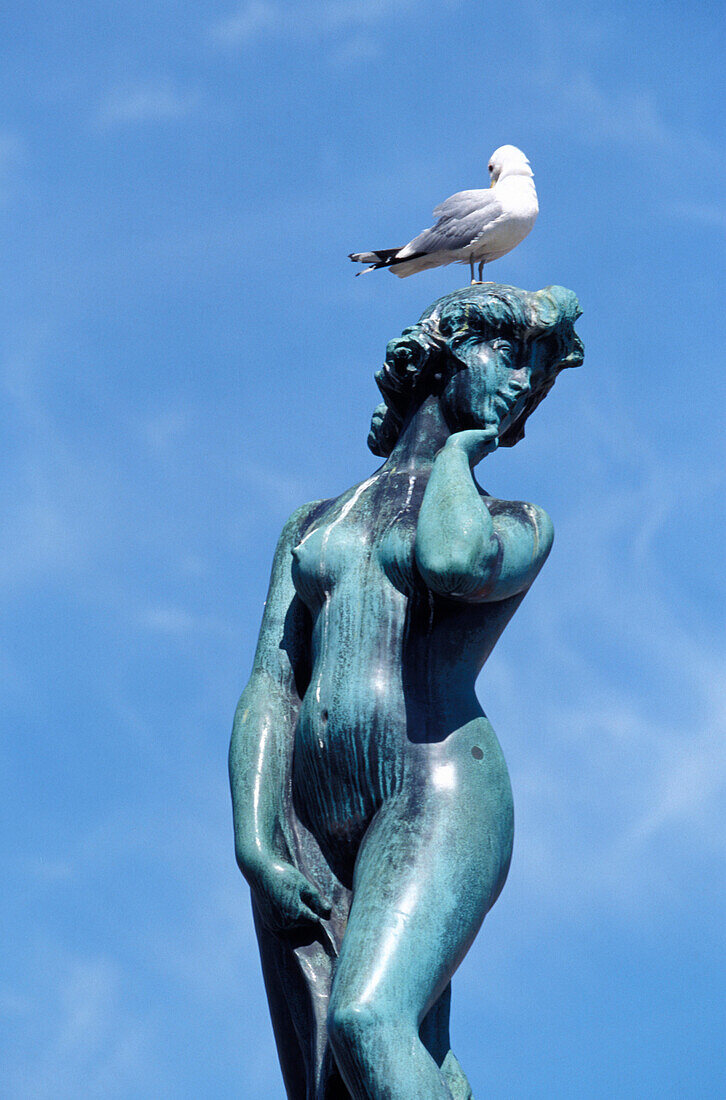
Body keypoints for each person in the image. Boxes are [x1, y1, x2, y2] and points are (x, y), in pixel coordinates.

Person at [230, 283, 583, 1099]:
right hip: (307, 807)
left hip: (437, 787)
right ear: (446, 356)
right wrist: (255, 840)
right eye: (509, 356)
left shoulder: (520, 521)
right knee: (326, 1080)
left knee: (368, 1019)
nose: (522, 383)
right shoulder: (313, 522)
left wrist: (459, 453)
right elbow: (271, 687)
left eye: (535, 373)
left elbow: (452, 562)